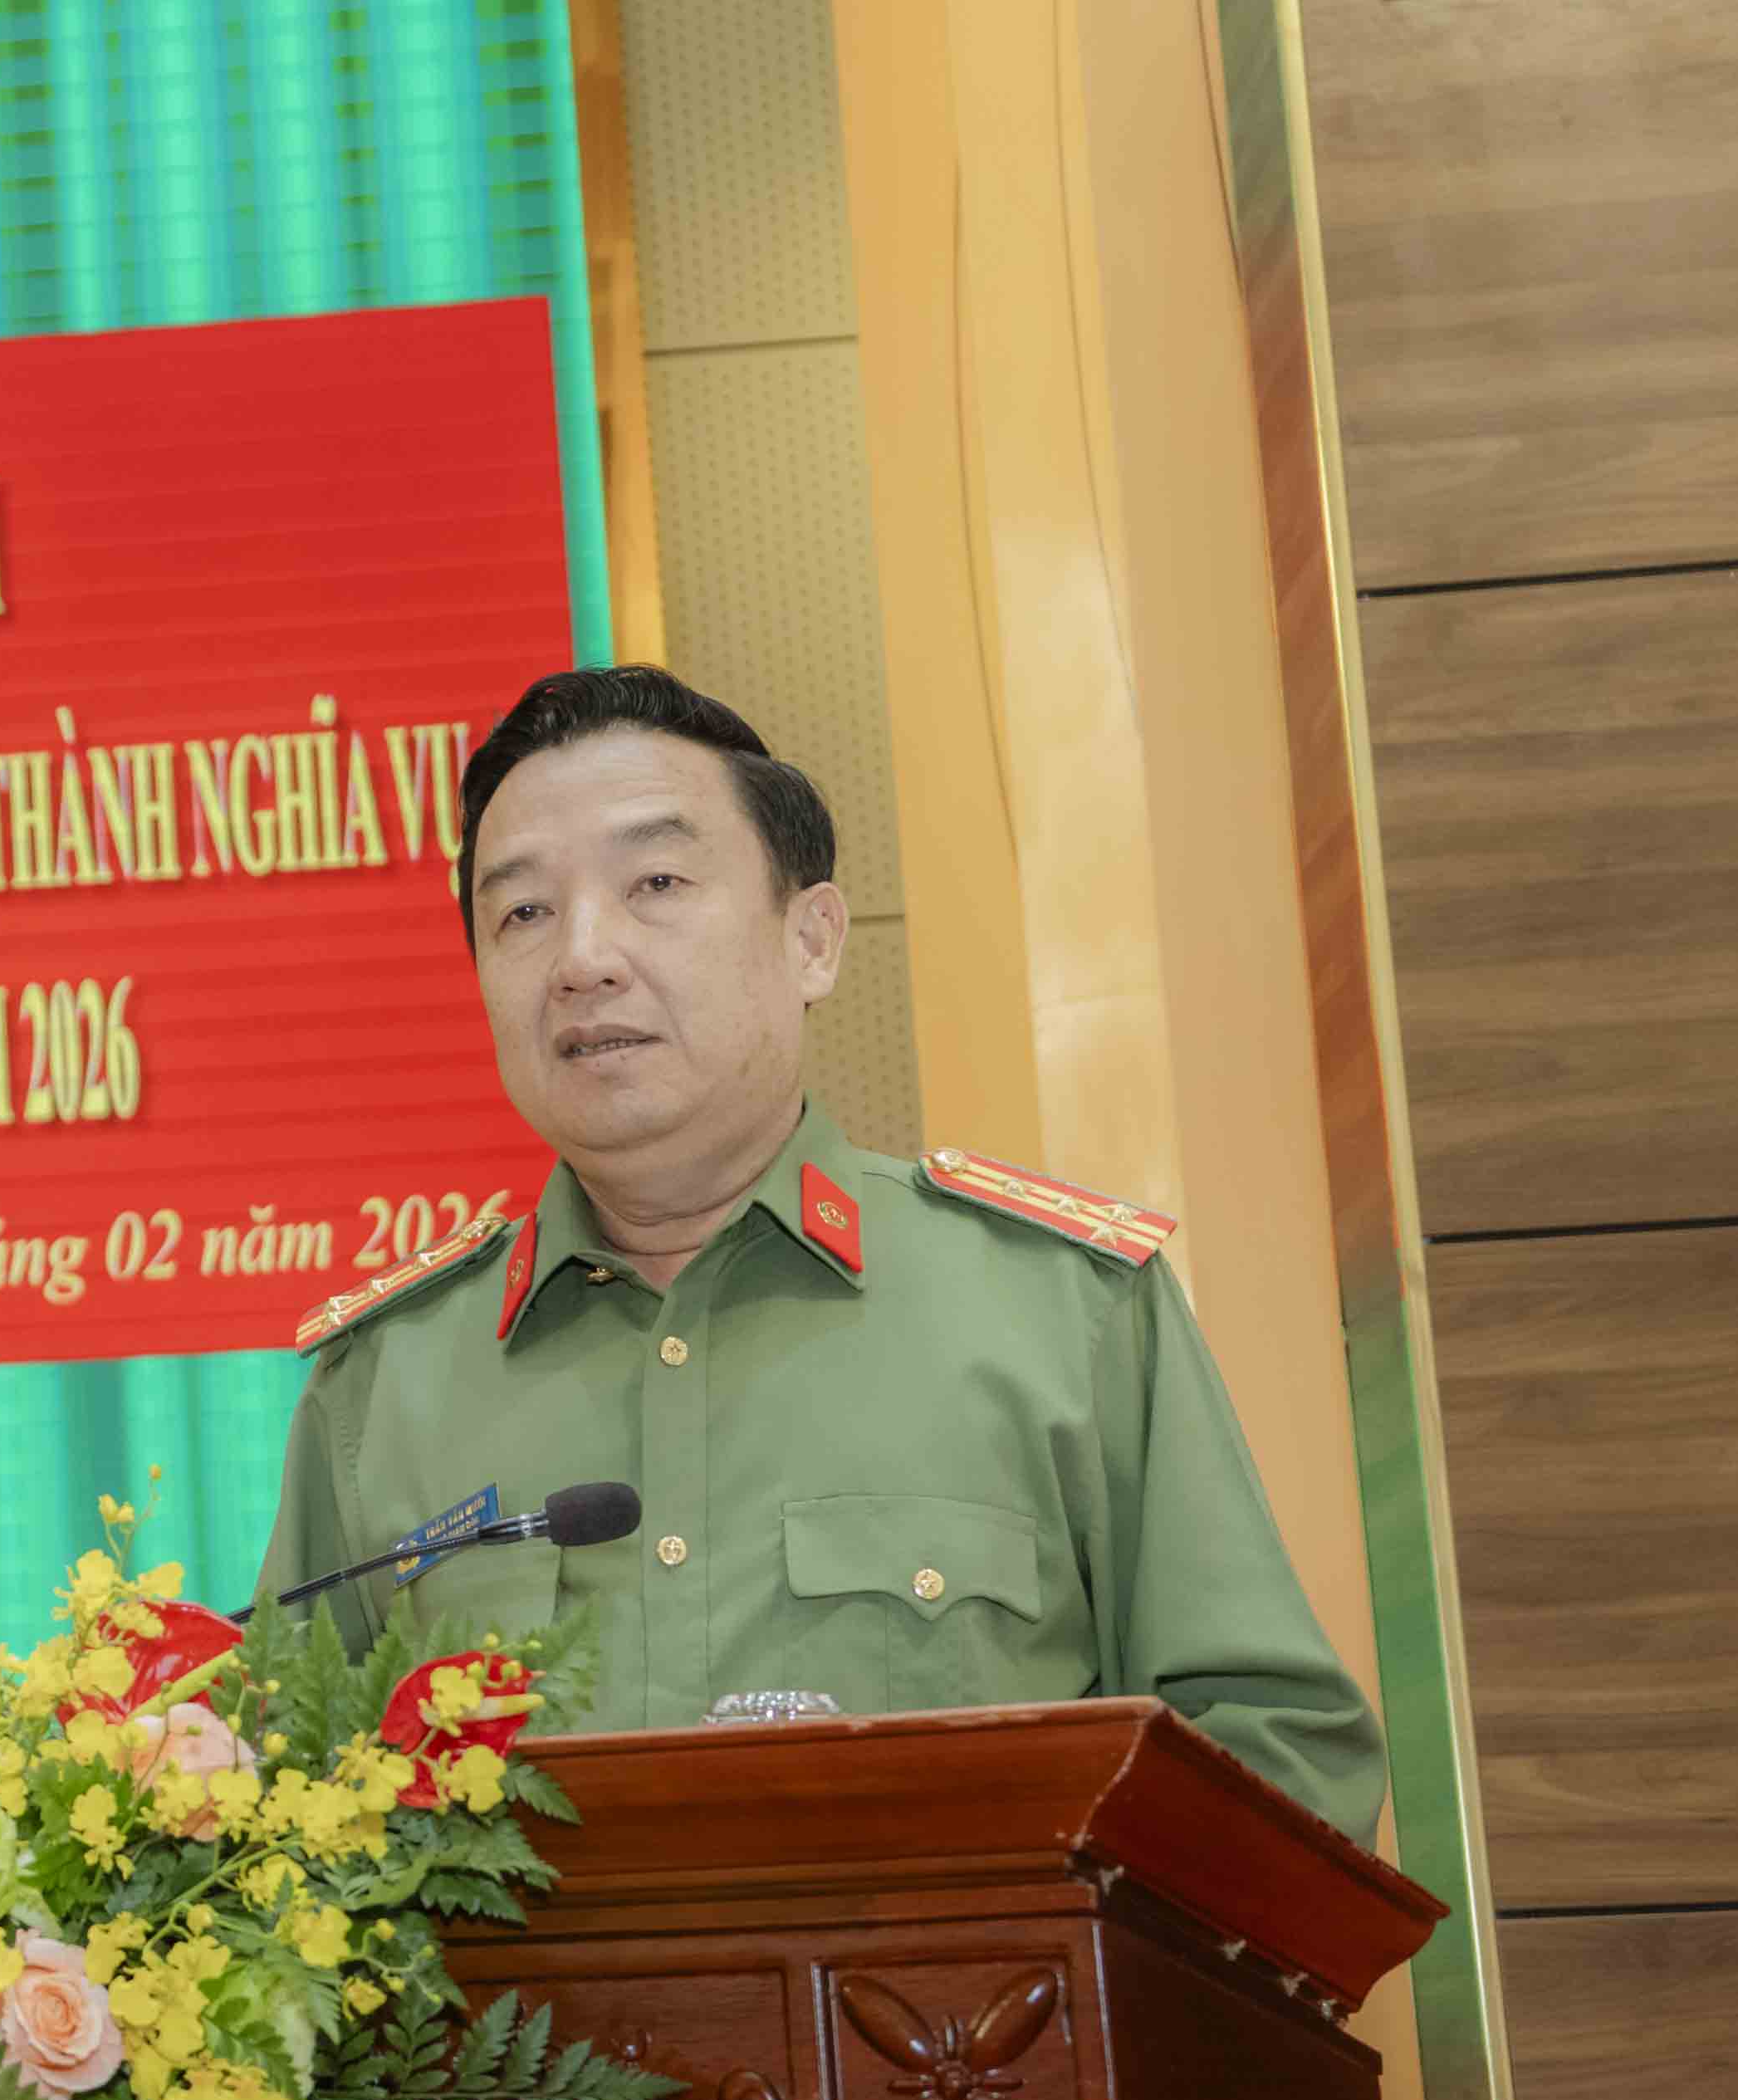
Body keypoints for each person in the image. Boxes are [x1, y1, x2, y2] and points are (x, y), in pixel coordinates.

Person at [256, 663, 1384, 1837]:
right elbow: (264, 1822)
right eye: (523, 913)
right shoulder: (380, 1387)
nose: (584, 957)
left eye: (656, 883)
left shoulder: (1067, 1312)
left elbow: (1282, 1766)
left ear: (813, 941)